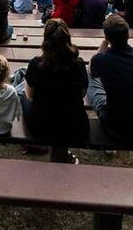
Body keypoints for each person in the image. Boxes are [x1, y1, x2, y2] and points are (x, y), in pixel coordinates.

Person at [14, 18, 89, 158]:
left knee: (20, 92)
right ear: (68, 39)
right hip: (74, 126)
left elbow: (29, 96)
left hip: (42, 127)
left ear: (46, 40)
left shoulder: (37, 64)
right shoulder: (78, 64)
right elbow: (82, 93)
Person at [87, 14, 133, 145]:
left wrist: (105, 41)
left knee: (91, 77)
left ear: (107, 37)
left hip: (118, 130)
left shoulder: (102, 60)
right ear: (128, 35)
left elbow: (91, 68)